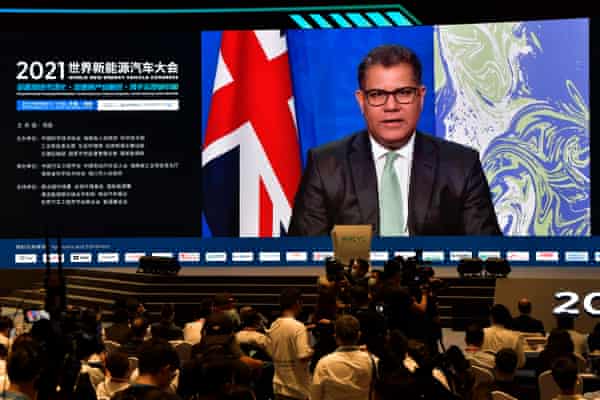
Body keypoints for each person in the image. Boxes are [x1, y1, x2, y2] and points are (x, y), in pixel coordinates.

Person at [288, 44, 501, 236]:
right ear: (361, 101)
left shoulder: (461, 165)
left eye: (404, 92)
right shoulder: (325, 166)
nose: (391, 106)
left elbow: (487, 257)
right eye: (378, 95)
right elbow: (302, 260)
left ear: (421, 97)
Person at [310, 315, 376, 400]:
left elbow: (315, 397)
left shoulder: (324, 363)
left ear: (335, 337)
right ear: (359, 335)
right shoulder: (371, 361)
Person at [266, 288, 313, 400]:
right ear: (297, 302)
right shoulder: (298, 327)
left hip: (278, 388)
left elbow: (270, 352)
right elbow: (303, 356)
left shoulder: (273, 326)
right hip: (296, 390)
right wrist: (313, 351)